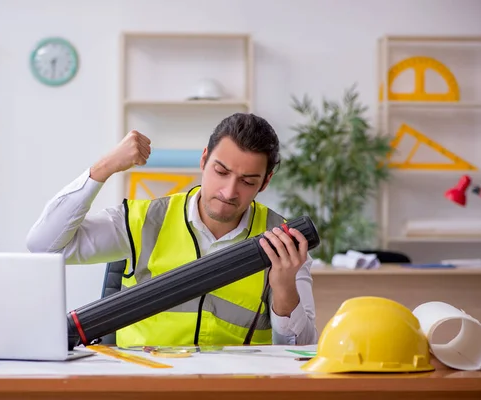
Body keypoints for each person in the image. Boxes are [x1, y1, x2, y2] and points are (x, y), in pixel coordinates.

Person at [27, 112, 318, 347]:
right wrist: (103, 168)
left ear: (264, 183)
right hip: (142, 385)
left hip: (231, 388)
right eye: (221, 172)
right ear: (204, 160)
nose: (229, 191)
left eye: (247, 181)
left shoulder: (282, 241)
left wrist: (283, 287)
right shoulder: (144, 220)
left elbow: (301, 350)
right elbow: (44, 246)